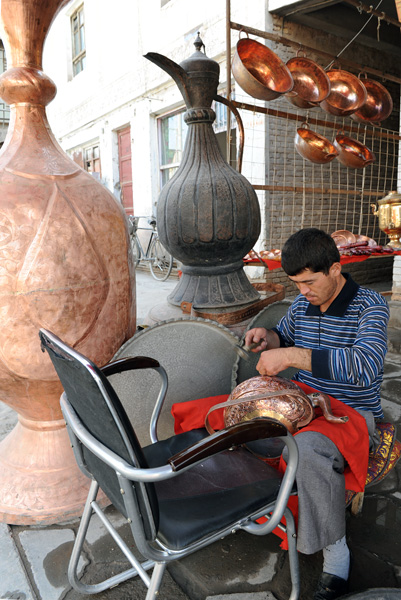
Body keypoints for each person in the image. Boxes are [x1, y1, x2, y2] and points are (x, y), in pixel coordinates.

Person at [244, 227, 389, 600]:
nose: (303, 292)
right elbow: (285, 335)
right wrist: (269, 338)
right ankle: (266, 514)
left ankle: (335, 552)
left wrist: (290, 357)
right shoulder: (302, 305)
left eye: (309, 282)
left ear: (336, 269)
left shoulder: (370, 305)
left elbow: (365, 367)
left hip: (352, 415)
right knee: (240, 418)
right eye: (296, 284)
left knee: (307, 449)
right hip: (306, 404)